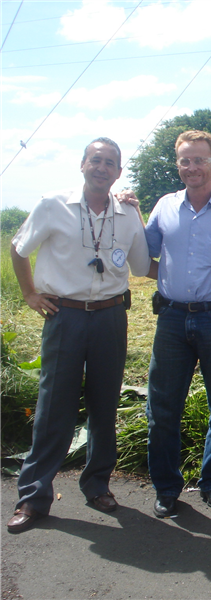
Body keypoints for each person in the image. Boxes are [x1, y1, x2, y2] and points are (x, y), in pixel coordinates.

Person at [7, 138, 151, 533]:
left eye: (110, 163)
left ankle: (98, 484)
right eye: (96, 160)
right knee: (55, 405)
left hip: (110, 317)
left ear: (119, 172)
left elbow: (141, 267)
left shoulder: (126, 213)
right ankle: (33, 497)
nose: (102, 168)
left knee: (105, 404)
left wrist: (139, 214)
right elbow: (19, 249)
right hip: (65, 316)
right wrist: (30, 294)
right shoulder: (53, 204)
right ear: (83, 165)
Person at [144, 130, 211, 518]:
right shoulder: (164, 206)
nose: (193, 167)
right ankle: (167, 488)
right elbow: (144, 255)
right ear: (178, 165)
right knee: (162, 408)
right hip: (171, 318)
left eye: (200, 160)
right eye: (185, 160)